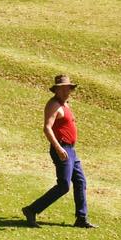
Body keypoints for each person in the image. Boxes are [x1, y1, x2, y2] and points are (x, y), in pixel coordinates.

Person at [22, 75, 97, 229]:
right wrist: (58, 148)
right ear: (56, 90)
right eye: (62, 89)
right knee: (64, 185)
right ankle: (31, 210)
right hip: (62, 149)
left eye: (67, 88)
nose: (65, 91)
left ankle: (81, 218)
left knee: (80, 181)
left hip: (70, 150)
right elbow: (47, 128)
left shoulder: (66, 105)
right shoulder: (54, 105)